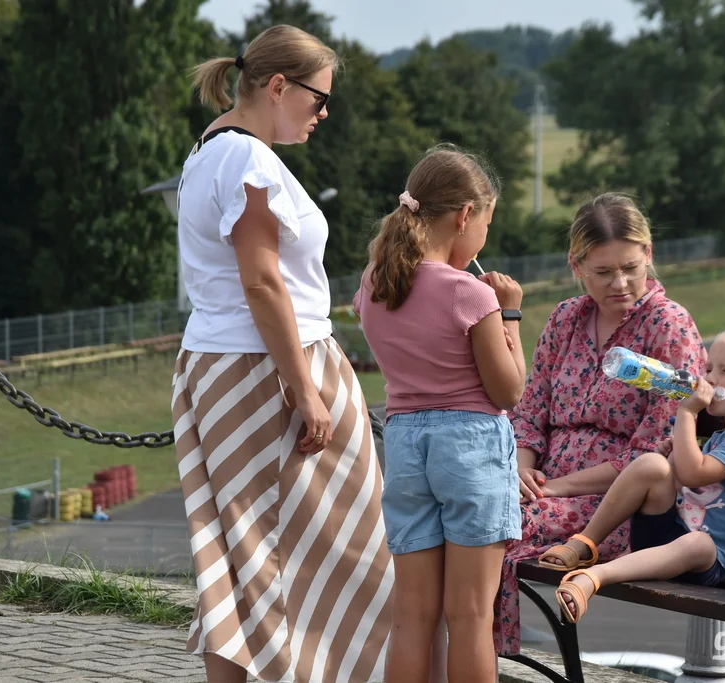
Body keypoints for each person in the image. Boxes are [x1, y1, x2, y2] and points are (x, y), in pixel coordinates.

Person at [170, 25, 392, 683]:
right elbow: (262, 280)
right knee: (349, 552)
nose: (323, 113)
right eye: (319, 98)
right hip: (267, 370)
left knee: (239, 557)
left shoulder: (209, 151)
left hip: (226, 367)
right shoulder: (247, 160)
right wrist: (303, 385)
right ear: (276, 86)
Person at [493, 193, 707, 656]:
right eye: (604, 271)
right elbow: (531, 411)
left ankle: (491, 658)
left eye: (631, 267)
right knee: (464, 514)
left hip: (617, 507)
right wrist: (522, 469)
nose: (621, 282)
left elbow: (652, 450)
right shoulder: (567, 318)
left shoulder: (669, 326)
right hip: (542, 486)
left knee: (494, 526)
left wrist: (550, 488)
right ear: (577, 265)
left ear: (649, 255)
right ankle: (465, 654)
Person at [353, 145, 527, 683]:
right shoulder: (469, 293)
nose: (483, 241)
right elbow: (508, 391)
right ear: (465, 216)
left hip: (405, 444)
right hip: (470, 445)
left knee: (413, 616)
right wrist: (511, 314)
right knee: (471, 616)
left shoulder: (373, 285)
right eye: (487, 225)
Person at [551, 325, 725, 622]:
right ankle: (583, 544)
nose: (710, 379)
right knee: (651, 465)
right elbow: (683, 483)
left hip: (707, 562)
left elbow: (692, 475)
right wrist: (669, 459)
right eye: (709, 368)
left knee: (699, 543)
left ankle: (593, 577)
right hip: (670, 537)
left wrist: (686, 414)